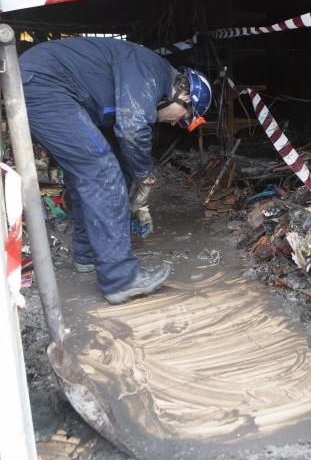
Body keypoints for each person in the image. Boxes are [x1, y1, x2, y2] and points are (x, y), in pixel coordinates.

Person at [19, 36, 212, 305]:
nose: (174, 123)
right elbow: (132, 128)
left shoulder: (144, 77)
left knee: (96, 170)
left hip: (47, 82)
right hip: (44, 83)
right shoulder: (151, 71)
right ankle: (120, 278)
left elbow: (124, 136)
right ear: (184, 95)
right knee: (102, 171)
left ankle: (87, 255)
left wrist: (133, 180)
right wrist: (144, 173)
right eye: (182, 118)